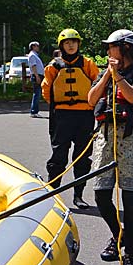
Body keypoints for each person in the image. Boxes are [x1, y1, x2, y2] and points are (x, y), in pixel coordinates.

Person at [87, 29, 133, 265]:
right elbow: (91, 99)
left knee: (129, 198)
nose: (108, 51)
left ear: (125, 48)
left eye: (111, 46)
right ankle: (119, 235)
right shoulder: (107, 73)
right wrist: (107, 75)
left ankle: (129, 254)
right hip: (105, 139)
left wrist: (118, 77)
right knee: (101, 195)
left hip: (132, 139)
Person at [41, 29, 100, 209]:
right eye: (67, 43)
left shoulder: (88, 64)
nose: (71, 45)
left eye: (74, 42)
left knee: (82, 157)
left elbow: (98, 84)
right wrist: (62, 104)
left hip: (84, 116)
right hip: (62, 116)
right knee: (58, 156)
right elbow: (46, 91)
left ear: (78, 44)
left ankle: (78, 195)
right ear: (61, 46)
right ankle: (53, 195)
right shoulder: (53, 66)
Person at [28, 41, 45, 118]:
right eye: (37, 46)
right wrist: (37, 76)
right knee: (36, 94)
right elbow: (33, 66)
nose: (38, 47)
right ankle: (33, 111)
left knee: (38, 93)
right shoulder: (32, 55)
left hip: (38, 75)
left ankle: (35, 110)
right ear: (33, 47)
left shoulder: (35, 55)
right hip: (36, 76)